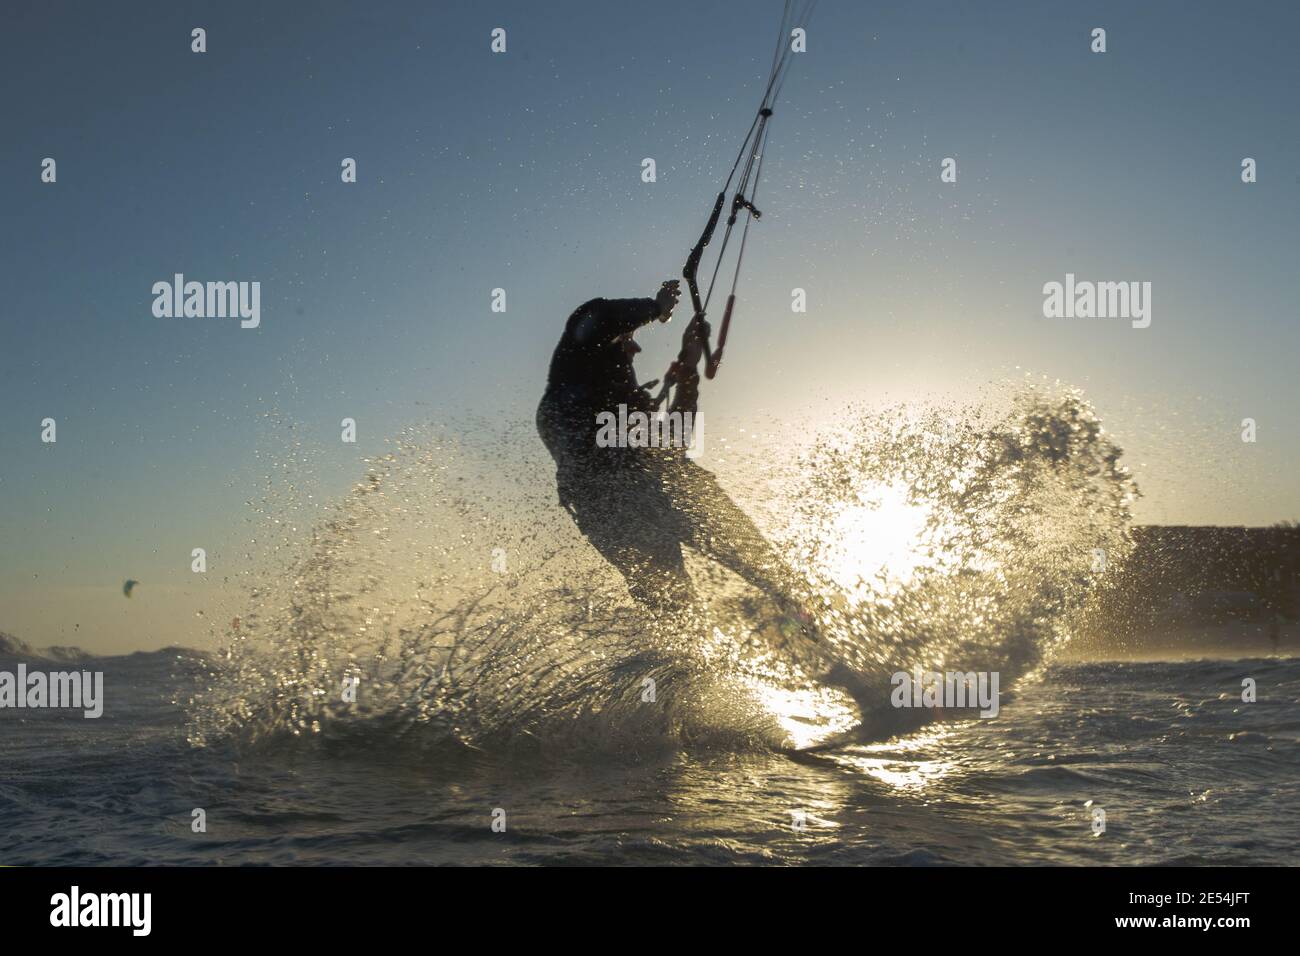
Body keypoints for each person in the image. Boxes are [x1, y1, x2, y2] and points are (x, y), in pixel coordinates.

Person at [536, 280, 819, 632]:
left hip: (618, 500)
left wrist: (689, 369)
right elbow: (599, 316)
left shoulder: (620, 412)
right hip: (620, 496)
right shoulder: (572, 378)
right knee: (684, 609)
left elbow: (672, 442)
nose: (636, 348)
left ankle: (810, 627)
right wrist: (657, 308)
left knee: (684, 610)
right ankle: (784, 617)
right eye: (628, 341)